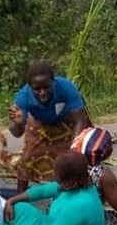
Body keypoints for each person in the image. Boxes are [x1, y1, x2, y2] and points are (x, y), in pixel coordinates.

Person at [9, 62, 91, 193]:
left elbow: (80, 120)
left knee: (74, 158)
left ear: (54, 82)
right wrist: (17, 123)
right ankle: (19, 198)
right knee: (28, 156)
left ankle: (75, 192)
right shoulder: (23, 97)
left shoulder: (66, 87)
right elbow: (16, 133)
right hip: (40, 121)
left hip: (67, 119)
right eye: (37, 89)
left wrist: (74, 149)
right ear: (30, 87)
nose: (42, 93)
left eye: (46, 87)